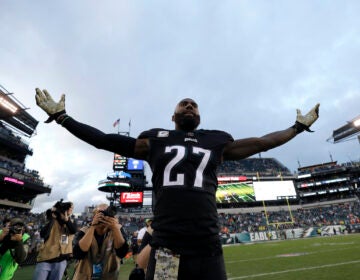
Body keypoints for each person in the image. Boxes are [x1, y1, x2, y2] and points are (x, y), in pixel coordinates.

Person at [35, 88, 320, 280]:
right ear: (173, 118)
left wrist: (297, 128)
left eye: (193, 104)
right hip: (168, 246)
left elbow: (261, 143)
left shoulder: (216, 140)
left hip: (207, 245)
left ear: (199, 117)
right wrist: (62, 118)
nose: (189, 105)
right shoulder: (155, 139)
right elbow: (104, 140)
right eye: (183, 104)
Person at [71, 203, 129, 280]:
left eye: (107, 213)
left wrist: (115, 228)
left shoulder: (117, 230)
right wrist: (92, 227)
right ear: (94, 216)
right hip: (85, 276)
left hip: (108, 276)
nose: (104, 217)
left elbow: (122, 253)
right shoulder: (84, 231)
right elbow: (78, 254)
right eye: (101, 213)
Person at [33, 200, 76, 280]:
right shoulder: (53, 220)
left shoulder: (70, 222)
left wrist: (66, 221)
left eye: (72, 208)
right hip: (45, 258)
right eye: (70, 207)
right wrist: (53, 218)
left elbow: (73, 230)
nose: (71, 210)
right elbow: (43, 234)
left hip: (61, 260)